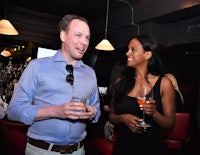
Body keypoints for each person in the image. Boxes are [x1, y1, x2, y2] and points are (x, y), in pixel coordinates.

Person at [7, 14, 101, 155]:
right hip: (42, 151)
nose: (84, 42)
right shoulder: (37, 66)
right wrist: (56, 111)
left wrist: (92, 112)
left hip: (78, 151)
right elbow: (13, 111)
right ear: (63, 36)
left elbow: (97, 111)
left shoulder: (90, 73)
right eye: (78, 35)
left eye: (87, 37)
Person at [109, 35, 176, 155]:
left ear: (148, 55)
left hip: (152, 148)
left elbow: (170, 124)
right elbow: (112, 116)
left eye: (133, 49)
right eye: (128, 49)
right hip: (124, 147)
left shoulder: (164, 83)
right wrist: (123, 118)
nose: (127, 53)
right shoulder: (121, 82)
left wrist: (154, 113)